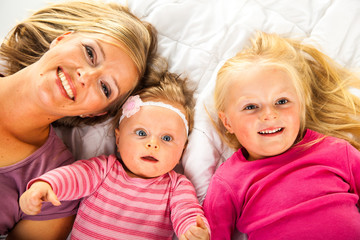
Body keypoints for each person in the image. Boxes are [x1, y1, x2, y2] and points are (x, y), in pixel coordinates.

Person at [0, 0, 159, 239]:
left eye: (105, 88)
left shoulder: (56, 184)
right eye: (90, 53)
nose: (87, 75)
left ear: (95, 113)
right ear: (62, 39)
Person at [203, 31, 360, 239]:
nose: (269, 114)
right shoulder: (228, 181)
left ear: (301, 106)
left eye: (282, 101)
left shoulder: (337, 152)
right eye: (251, 106)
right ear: (227, 122)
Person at [19, 70, 211, 240]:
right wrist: (46, 185)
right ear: (118, 140)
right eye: (141, 133)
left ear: (182, 152)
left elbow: (186, 210)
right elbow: (74, 176)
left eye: (167, 138)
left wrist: (193, 229)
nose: (153, 144)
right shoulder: (104, 170)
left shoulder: (176, 186)